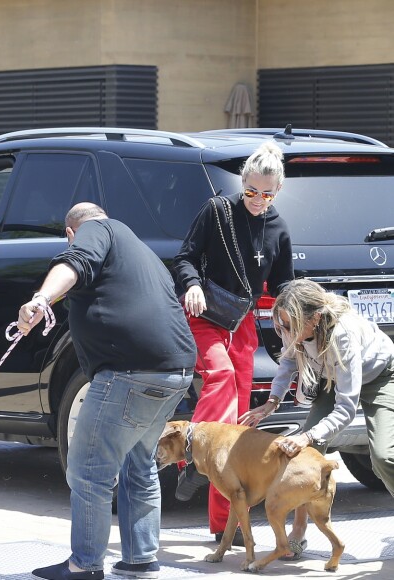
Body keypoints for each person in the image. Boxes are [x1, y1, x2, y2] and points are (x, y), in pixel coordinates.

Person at [17, 202, 196, 580]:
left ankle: (84, 565)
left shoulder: (97, 230)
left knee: (88, 471)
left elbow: (75, 262)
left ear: (71, 232)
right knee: (140, 464)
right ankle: (140, 560)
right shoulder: (139, 250)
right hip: (175, 372)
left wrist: (40, 299)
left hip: (130, 374)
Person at [172, 141, 294, 544]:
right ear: (242, 185)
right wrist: (191, 285)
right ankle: (192, 454)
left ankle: (226, 525)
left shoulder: (278, 227)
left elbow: (282, 285)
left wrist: (302, 307)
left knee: (238, 430)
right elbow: (185, 257)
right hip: (205, 313)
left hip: (241, 323)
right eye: (252, 192)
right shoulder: (218, 210)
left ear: (278, 190)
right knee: (220, 375)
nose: (259, 200)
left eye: (268, 193)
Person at [240, 279, 394, 559]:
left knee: (384, 457)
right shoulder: (294, 325)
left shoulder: (343, 335)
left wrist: (306, 434)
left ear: (316, 318)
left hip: (381, 376)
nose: (285, 332)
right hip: (331, 376)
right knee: (304, 456)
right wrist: (272, 401)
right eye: (282, 325)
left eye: (290, 326)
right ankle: (299, 529)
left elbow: (345, 410)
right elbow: (287, 360)